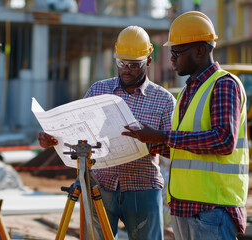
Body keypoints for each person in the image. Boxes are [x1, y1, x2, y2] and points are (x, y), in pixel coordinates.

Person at [38, 26, 176, 239]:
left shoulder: (164, 100)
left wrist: (150, 141)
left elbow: (174, 149)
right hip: (100, 185)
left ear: (148, 61)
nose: (126, 69)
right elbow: (78, 132)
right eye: (121, 63)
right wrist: (54, 138)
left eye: (133, 64)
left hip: (143, 187)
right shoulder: (98, 91)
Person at [122, 11, 249, 240]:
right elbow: (183, 149)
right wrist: (147, 143)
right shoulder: (187, 91)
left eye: (176, 52)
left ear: (199, 50)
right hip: (185, 207)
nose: (172, 59)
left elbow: (223, 140)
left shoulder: (223, 85)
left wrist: (160, 136)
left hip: (212, 209)